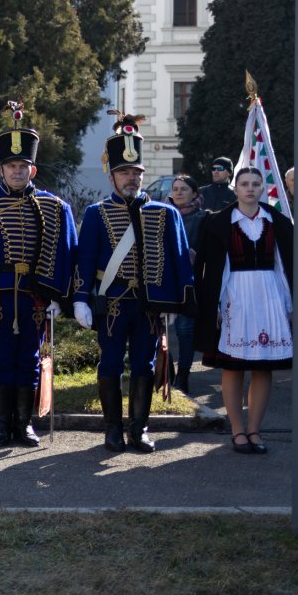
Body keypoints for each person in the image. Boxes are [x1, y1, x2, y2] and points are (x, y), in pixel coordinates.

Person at [73, 112, 194, 453]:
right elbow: (85, 259)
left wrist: (178, 303)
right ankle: (112, 429)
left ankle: (138, 429)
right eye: (125, 172)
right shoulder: (96, 213)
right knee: (110, 364)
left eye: (136, 172)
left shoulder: (165, 213)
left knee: (145, 365)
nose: (132, 178)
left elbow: (179, 260)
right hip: (112, 302)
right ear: (112, 175)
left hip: (149, 305)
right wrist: (80, 298)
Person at [0, 103, 76, 447]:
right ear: (2, 169)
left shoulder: (55, 206)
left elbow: (67, 254)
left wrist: (60, 297)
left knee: (29, 358)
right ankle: (1, 425)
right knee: (1, 358)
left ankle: (24, 424)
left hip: (35, 294)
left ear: (33, 170)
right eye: (11, 166)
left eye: (23, 166)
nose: (17, 171)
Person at [193, 166, 294, 455]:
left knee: (263, 366)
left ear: (263, 188)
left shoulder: (278, 222)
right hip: (234, 297)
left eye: (255, 184)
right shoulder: (217, 222)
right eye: (245, 184)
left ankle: (255, 429)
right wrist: (213, 304)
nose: (250, 188)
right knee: (233, 365)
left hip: (269, 296)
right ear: (235, 188)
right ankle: (237, 430)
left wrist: (290, 304)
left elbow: (284, 265)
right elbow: (209, 268)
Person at [166, 174, 206, 393]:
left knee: (184, 331)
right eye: (175, 189)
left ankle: (183, 375)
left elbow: (206, 251)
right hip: (165, 282)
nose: (179, 192)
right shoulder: (163, 214)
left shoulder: (202, 217)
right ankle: (166, 370)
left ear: (194, 193)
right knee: (160, 330)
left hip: (190, 283)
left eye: (184, 189)